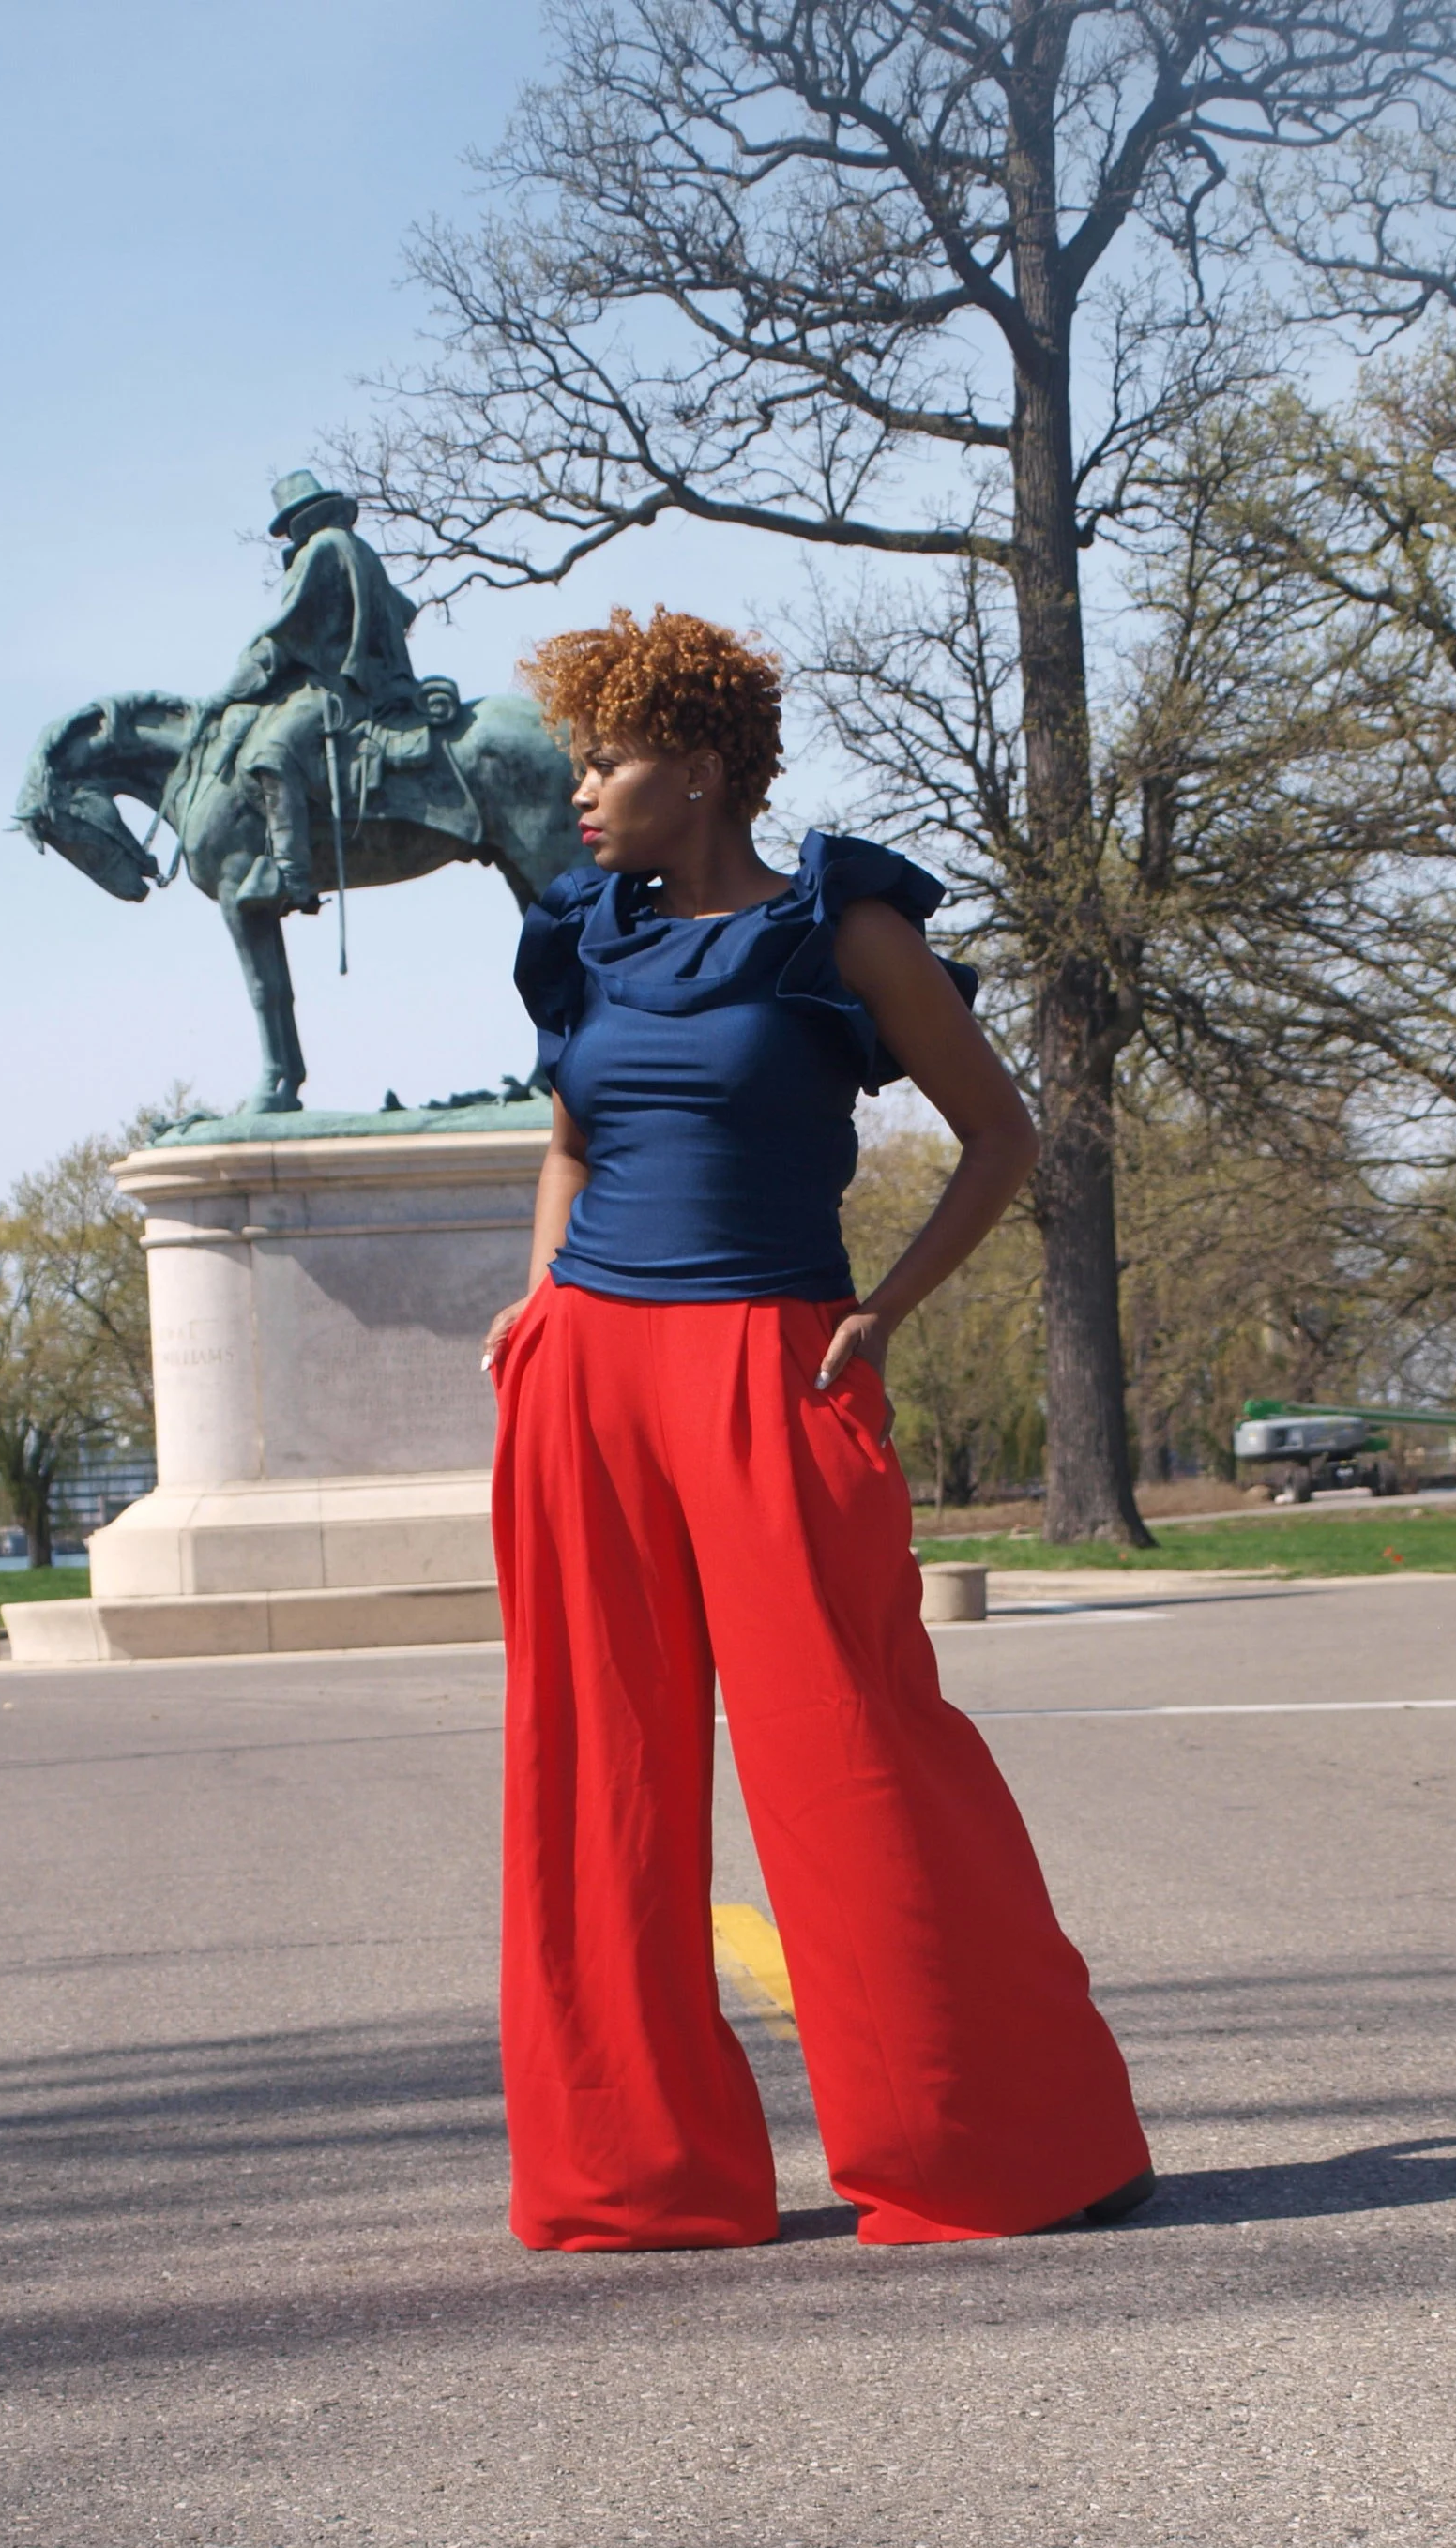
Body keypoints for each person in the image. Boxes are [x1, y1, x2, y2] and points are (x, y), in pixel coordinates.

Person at [483, 606, 1156, 2253]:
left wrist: (885, 1310)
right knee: (593, 1771)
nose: (580, 790)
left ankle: (987, 2141)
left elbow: (1000, 1135)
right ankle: (637, 2178)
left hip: (771, 1364)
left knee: (853, 1751)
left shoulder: (839, 929)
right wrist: (534, 1300)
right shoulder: (586, 934)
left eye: (609, 758)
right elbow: (570, 1136)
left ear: (701, 769)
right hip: (589, 1376)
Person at [216, 471, 430, 912]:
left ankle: (291, 876)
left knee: (269, 752)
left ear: (299, 518)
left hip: (347, 689)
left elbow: (286, 638)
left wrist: (232, 689)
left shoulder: (323, 548)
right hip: (372, 680)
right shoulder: (354, 547)